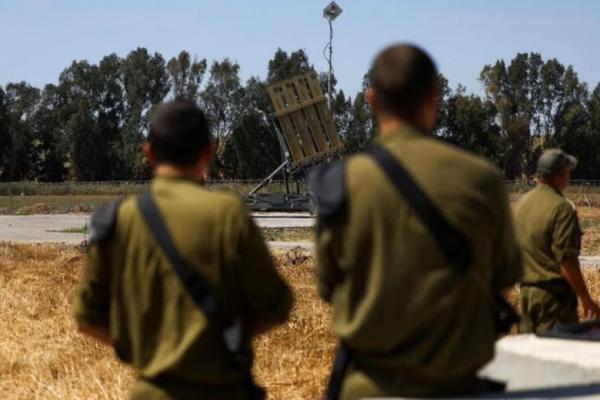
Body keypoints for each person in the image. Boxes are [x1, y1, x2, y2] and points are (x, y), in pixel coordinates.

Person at [311, 44, 522, 400]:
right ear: (433, 97)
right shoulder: (481, 179)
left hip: (369, 388)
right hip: (460, 386)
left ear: (371, 99)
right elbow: (503, 277)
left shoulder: (342, 183)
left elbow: (329, 286)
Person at [72, 99, 293, 400]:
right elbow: (276, 306)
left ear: (147, 153)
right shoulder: (229, 215)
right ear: (209, 151)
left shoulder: (118, 221)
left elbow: (86, 318)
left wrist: (143, 348)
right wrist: (223, 340)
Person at [516, 149, 600, 334]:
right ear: (559, 176)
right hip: (553, 298)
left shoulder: (521, 205)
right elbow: (566, 260)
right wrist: (585, 298)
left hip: (526, 294)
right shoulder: (561, 208)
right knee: (555, 353)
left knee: (530, 356)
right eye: (568, 172)